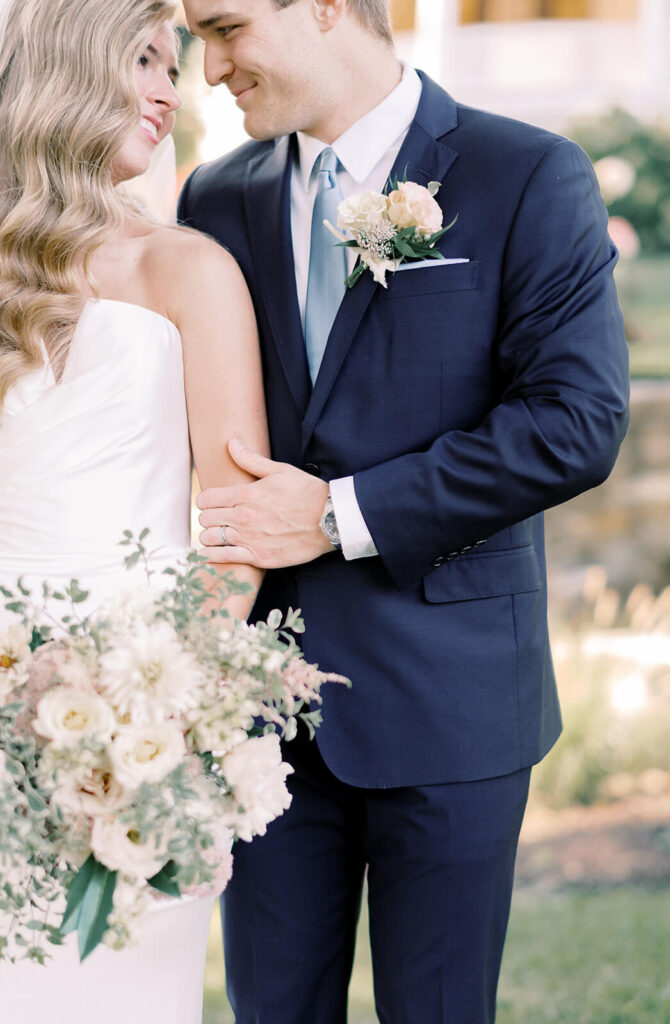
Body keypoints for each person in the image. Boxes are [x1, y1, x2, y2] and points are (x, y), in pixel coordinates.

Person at [178, 1, 630, 1021]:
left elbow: (574, 422)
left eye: (225, 28)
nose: (208, 69)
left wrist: (338, 513)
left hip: (451, 700)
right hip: (258, 717)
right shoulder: (212, 200)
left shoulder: (526, 175)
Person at [0, 0, 268, 1020]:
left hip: (136, 720)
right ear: (66, 64)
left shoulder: (185, 268)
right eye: (144, 58)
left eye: (177, 60)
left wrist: (152, 723)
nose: (170, 87)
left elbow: (236, 535)